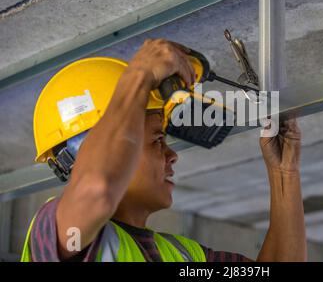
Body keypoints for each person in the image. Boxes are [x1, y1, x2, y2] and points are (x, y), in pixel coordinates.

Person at [21, 39, 307, 262]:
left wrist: (284, 174)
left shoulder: (183, 257)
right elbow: (96, 187)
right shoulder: (55, 234)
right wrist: (139, 76)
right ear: (89, 150)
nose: (173, 155)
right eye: (157, 139)